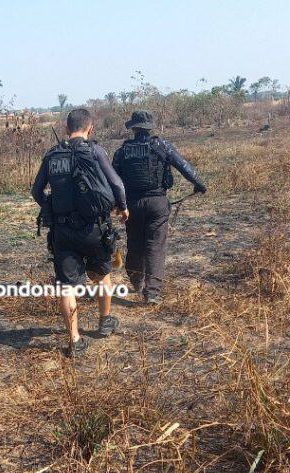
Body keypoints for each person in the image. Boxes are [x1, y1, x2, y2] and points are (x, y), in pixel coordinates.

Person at [31, 108, 129, 356]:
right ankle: (105, 321)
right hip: (95, 228)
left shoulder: (52, 155)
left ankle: (74, 340)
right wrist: (123, 207)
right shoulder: (95, 151)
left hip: (62, 231)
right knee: (102, 274)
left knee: (66, 287)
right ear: (90, 129)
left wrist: (50, 207)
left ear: (66, 129)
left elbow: (36, 191)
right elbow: (117, 184)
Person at [112, 110, 207, 304]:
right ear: (150, 128)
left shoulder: (122, 151)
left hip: (132, 205)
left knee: (135, 243)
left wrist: (116, 204)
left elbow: (113, 180)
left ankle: (137, 281)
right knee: (155, 246)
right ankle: (153, 293)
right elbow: (184, 167)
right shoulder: (162, 145)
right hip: (157, 204)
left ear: (134, 128)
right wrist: (199, 184)